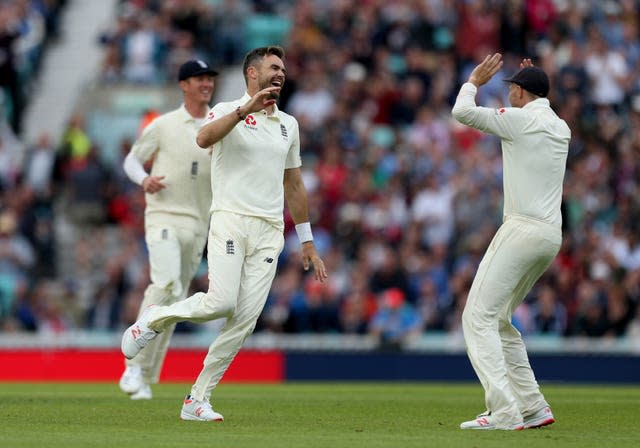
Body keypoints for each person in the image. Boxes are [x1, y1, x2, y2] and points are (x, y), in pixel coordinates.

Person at [121, 45, 327, 421]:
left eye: (283, 68)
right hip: (231, 220)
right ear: (252, 74)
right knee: (221, 303)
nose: (280, 73)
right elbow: (203, 139)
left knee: (244, 320)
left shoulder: (288, 125)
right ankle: (153, 317)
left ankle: (197, 398)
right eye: (273, 67)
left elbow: (294, 184)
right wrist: (243, 111)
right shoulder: (225, 111)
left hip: (269, 233)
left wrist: (307, 240)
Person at [451, 54, 570, 430]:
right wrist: (528, 79)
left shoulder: (519, 120)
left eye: (513, 89)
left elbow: (462, 113)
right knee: (500, 320)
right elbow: (533, 103)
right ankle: (533, 406)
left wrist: (473, 81)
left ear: (519, 92)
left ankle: (503, 411)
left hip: (521, 228)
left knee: (476, 317)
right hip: (550, 235)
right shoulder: (560, 126)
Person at [118, 59, 218, 400]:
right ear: (183, 85)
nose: (206, 83)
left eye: (209, 78)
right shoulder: (163, 124)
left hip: (198, 223)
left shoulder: (219, 124)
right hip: (163, 215)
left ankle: (143, 374)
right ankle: (132, 365)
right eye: (199, 78)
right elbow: (131, 160)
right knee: (165, 283)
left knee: (175, 300)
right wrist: (144, 179)